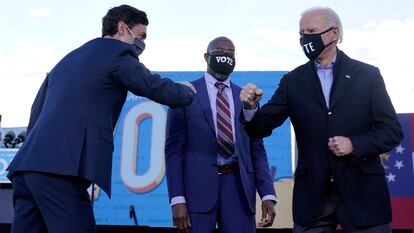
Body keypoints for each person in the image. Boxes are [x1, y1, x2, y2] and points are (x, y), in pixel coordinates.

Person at [6, 4, 195, 233]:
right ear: (123, 29)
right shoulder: (118, 53)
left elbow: (37, 112)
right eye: (142, 36)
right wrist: (186, 92)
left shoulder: (68, 59)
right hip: (61, 172)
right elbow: (151, 85)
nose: (143, 43)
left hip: (26, 169)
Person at [240, 7, 403, 233]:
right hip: (313, 200)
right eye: (301, 34)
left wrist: (355, 144)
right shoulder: (293, 81)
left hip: (363, 195)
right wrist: (250, 108)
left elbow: (392, 131)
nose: (305, 38)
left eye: (311, 31)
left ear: (334, 33)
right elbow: (261, 127)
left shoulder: (367, 75)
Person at [165, 36, 276, 233]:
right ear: (206, 56)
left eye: (230, 54)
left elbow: (257, 151)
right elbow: (174, 151)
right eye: (219, 52)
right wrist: (177, 198)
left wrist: (267, 195)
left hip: (239, 190)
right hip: (196, 191)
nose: (225, 57)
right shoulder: (184, 93)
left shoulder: (246, 97)